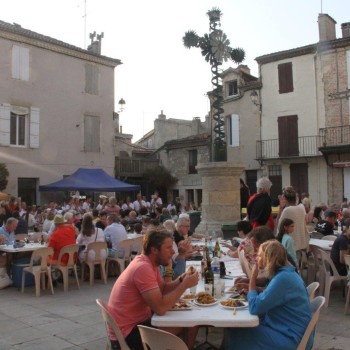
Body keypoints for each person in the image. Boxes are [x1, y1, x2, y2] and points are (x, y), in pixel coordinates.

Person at [108, 228, 199, 350]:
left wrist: (181, 279)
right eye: (168, 248)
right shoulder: (143, 267)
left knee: (189, 323)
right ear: (154, 250)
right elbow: (160, 308)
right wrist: (184, 286)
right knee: (190, 324)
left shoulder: (150, 262)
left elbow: (162, 289)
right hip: (127, 334)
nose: (173, 251)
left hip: (134, 324)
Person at [224, 240, 312, 350]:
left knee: (236, 329)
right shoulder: (286, 273)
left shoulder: (283, 278)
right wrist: (253, 290)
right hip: (288, 330)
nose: (257, 258)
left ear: (269, 259)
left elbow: (255, 307)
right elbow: (271, 293)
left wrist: (252, 280)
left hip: (289, 338)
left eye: (260, 256)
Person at [277, 186, 309, 253]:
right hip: (302, 245)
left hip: (291, 246)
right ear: (295, 198)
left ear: (285, 199)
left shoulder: (287, 210)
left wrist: (281, 207)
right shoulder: (301, 208)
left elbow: (279, 226)